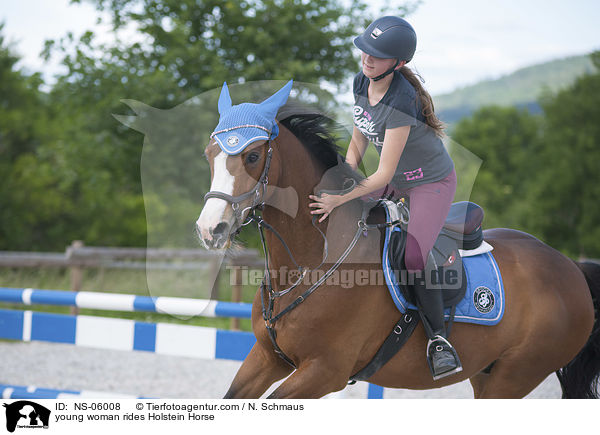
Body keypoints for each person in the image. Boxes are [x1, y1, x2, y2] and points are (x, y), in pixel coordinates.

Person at [308, 16, 461, 380]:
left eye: (377, 56)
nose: (367, 58)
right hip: (393, 179)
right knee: (333, 210)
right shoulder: (362, 80)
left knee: (412, 253)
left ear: (399, 63)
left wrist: (340, 198)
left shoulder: (402, 101)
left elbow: (383, 176)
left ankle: (439, 339)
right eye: (365, 50)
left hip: (428, 183)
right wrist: (341, 177)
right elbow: (360, 132)